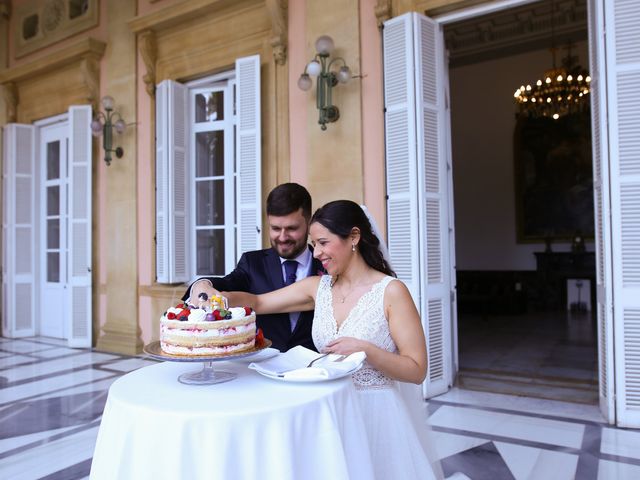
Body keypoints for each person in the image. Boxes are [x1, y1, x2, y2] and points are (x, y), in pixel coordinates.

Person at [221, 200, 448, 479]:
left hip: (376, 417)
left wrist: (367, 350)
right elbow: (257, 301)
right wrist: (212, 292)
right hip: (328, 413)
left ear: (353, 237)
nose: (316, 253)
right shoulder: (319, 288)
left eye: (323, 243)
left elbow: (417, 370)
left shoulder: (391, 292)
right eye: (313, 244)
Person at [183, 183, 323, 352]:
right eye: (275, 228)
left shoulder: (328, 263)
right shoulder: (252, 262)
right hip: (263, 365)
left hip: (315, 367)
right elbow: (226, 284)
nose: (283, 237)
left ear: (309, 223)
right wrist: (202, 284)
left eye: (292, 229)